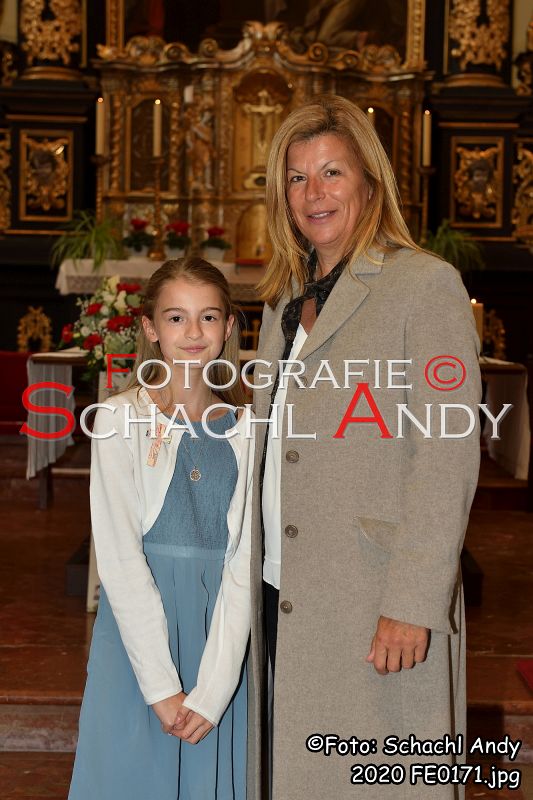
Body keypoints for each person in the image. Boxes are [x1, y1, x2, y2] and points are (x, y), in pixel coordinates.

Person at [247, 95, 481, 799]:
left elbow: (446, 455)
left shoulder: (423, 285)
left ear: (370, 184)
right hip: (283, 583)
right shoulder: (284, 299)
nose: (312, 193)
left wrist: (412, 600)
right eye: (296, 178)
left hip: (371, 592)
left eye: (331, 173)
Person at [69, 257, 253, 800]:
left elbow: (245, 563)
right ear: (150, 327)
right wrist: (160, 687)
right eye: (176, 318)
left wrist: (214, 691)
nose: (193, 332)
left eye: (208, 317)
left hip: (221, 640)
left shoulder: (250, 429)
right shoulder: (118, 420)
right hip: (140, 645)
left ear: (228, 326)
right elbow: (120, 561)